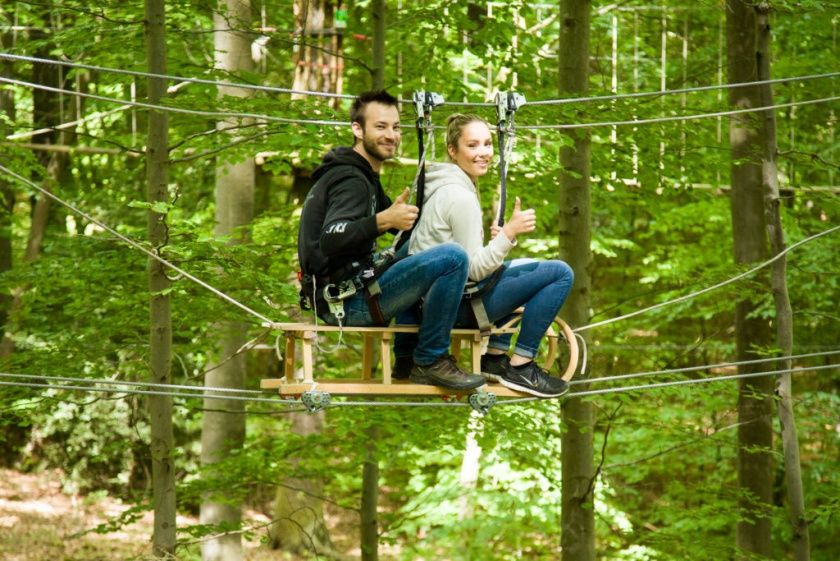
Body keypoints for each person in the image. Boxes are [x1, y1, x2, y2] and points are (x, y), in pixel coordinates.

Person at [297, 91, 485, 391]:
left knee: (423, 248)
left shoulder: (364, 176)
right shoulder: (351, 180)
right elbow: (331, 239)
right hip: (347, 303)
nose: (391, 135)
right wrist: (385, 220)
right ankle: (431, 359)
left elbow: (407, 235)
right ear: (358, 129)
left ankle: (406, 357)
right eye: (380, 126)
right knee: (453, 257)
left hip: (353, 288)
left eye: (396, 127)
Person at [401, 113, 574, 398]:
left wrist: (504, 241)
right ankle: (521, 366)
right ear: (453, 151)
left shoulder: (445, 187)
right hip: (452, 309)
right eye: (472, 145)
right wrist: (508, 235)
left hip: (435, 303)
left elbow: (466, 261)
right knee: (560, 273)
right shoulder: (460, 196)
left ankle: (495, 359)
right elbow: (473, 270)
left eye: (487, 143)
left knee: (525, 267)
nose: (483, 152)